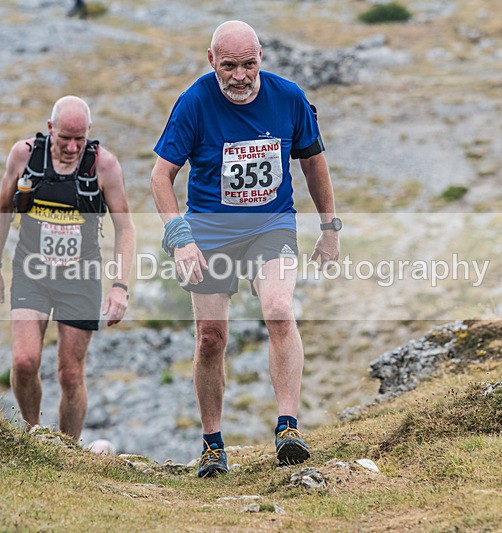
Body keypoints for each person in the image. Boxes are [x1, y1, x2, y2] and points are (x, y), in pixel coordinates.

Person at [150, 20, 340, 477]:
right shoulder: (194, 102)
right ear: (211, 59)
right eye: (230, 65)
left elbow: (313, 163)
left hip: (271, 226)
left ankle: (288, 427)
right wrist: (180, 240)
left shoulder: (289, 97)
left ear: (262, 58)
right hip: (210, 233)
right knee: (211, 338)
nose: (240, 76)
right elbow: (160, 177)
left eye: (249, 64)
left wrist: (330, 228)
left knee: (278, 309)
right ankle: (213, 445)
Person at [0, 95, 135, 441]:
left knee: (70, 374)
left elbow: (126, 227)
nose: (70, 147)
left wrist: (119, 286)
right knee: (24, 362)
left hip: (80, 279)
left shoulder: (104, 166)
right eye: (64, 137)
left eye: (79, 139)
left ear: (88, 134)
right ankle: (33, 434)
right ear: (50, 128)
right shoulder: (24, 155)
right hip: (31, 272)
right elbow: (2, 207)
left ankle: (67, 449)